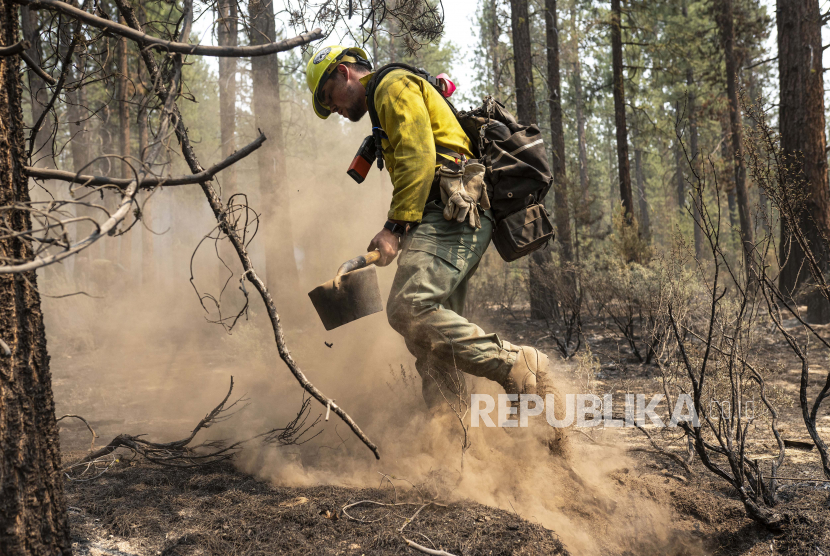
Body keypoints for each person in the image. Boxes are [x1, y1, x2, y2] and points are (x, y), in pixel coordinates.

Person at [305, 45, 549, 414]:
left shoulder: (390, 86)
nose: (335, 109)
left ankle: (516, 364)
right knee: (431, 338)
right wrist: (403, 228)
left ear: (343, 72)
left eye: (329, 97)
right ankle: (452, 431)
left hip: (453, 210)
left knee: (408, 308)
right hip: (448, 213)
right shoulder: (383, 102)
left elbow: (417, 157)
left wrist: (394, 227)